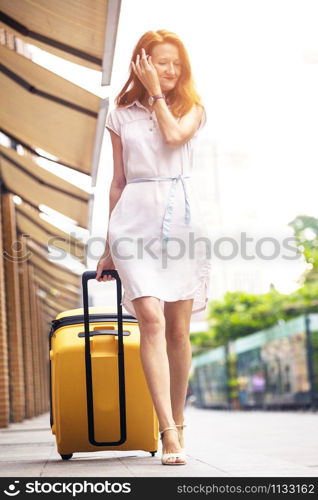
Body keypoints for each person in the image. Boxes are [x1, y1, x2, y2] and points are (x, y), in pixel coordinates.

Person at [96, 29, 211, 465]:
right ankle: (167, 433)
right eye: (161, 61)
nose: (170, 70)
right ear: (141, 62)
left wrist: (158, 95)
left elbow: (175, 138)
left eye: (175, 64)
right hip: (133, 221)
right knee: (150, 320)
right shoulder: (120, 113)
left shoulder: (192, 108)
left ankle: (179, 421)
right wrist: (108, 247)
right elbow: (117, 183)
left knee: (178, 331)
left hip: (180, 221)